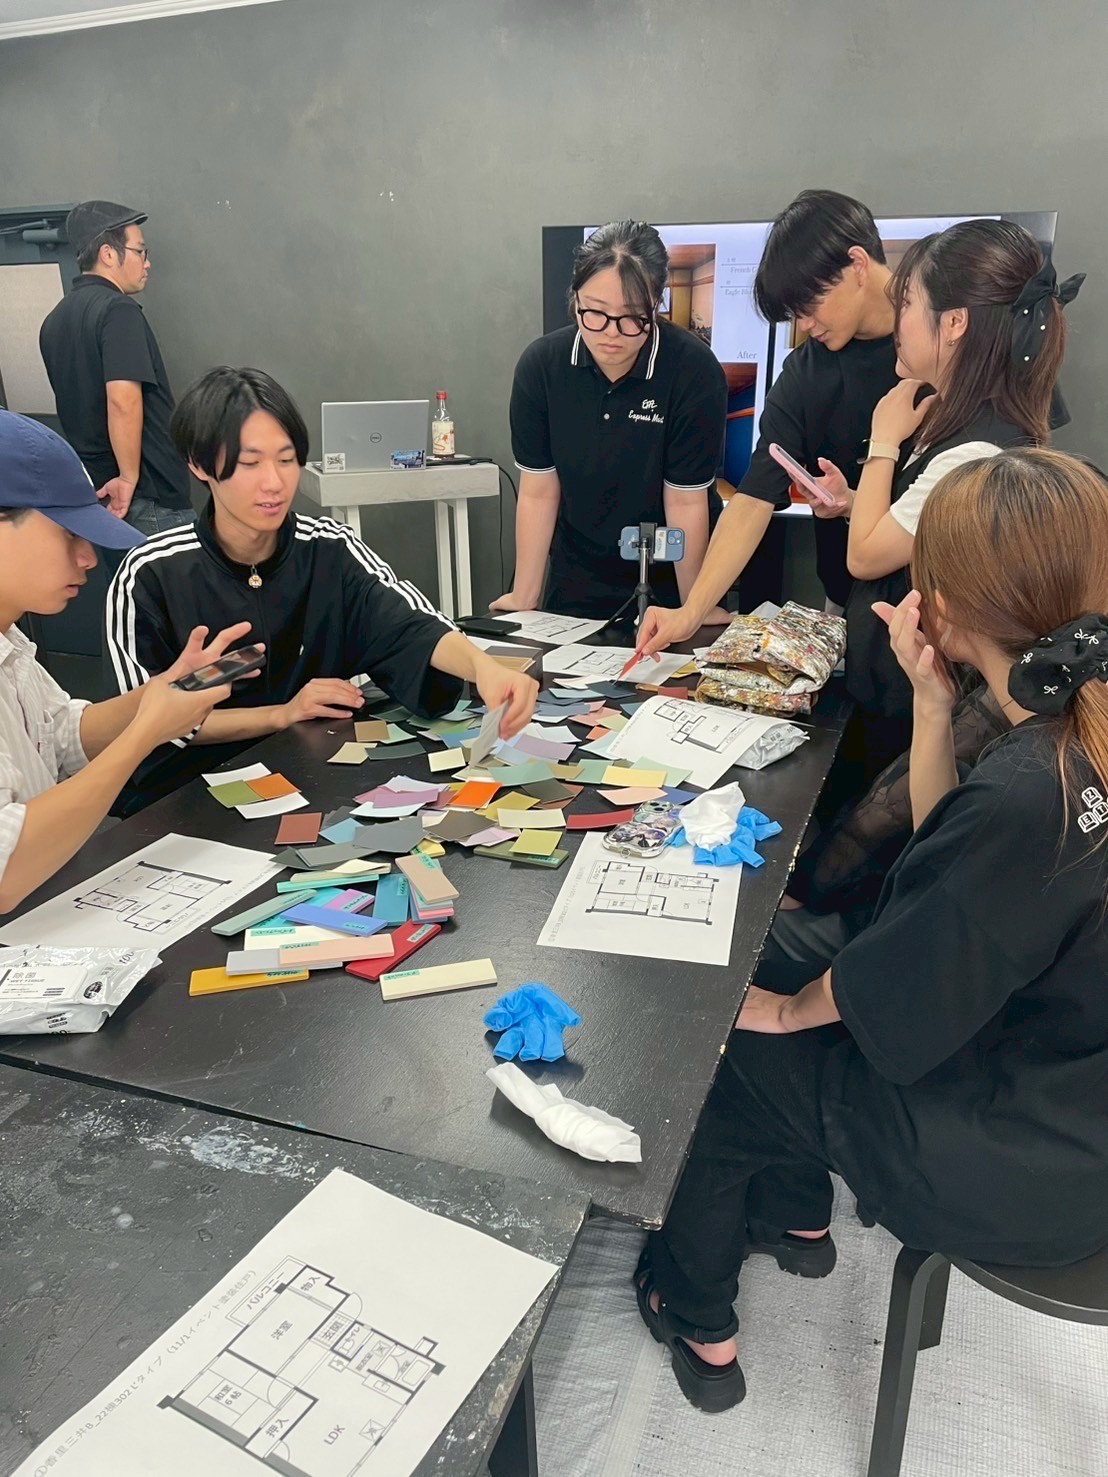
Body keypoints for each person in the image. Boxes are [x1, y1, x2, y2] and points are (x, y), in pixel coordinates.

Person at [634, 448, 1108, 1412]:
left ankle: (697, 1314)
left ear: (948, 602)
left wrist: (778, 1013)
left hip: (1031, 1161)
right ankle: (797, 1217)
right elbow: (956, 868)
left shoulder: (1032, 788)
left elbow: (894, 986)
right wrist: (934, 706)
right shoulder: (1069, 734)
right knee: (774, 979)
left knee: (724, 1052)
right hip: (1066, 1090)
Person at [105, 367, 538, 812]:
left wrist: (484, 668)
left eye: (286, 459)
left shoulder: (329, 549)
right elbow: (145, 720)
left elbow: (410, 623)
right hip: (190, 798)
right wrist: (281, 714)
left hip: (313, 779)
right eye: (250, 464)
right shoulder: (152, 573)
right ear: (199, 464)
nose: (274, 483)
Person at [636, 190, 900, 648]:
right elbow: (753, 500)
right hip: (850, 604)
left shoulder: (949, 344)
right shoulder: (805, 373)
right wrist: (691, 612)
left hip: (946, 602)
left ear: (857, 265)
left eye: (810, 306)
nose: (805, 325)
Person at [0, 409, 241, 913]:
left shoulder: (12, 644)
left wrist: (159, 694)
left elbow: (61, 734)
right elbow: (6, 871)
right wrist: (144, 733)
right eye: (68, 533)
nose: (89, 558)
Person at [490, 220, 728, 621]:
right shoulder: (542, 367)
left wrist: (694, 610)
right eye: (595, 313)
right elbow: (539, 491)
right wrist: (525, 594)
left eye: (632, 317)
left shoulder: (694, 371)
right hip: (575, 578)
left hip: (667, 579)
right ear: (575, 300)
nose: (611, 334)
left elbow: (685, 500)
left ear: (656, 305)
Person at [39, 199, 196, 539]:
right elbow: (123, 400)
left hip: (100, 495)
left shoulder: (54, 321)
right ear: (109, 254)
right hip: (146, 497)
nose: (147, 262)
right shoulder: (118, 311)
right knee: (170, 577)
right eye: (140, 251)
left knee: (127, 576)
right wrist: (128, 476)